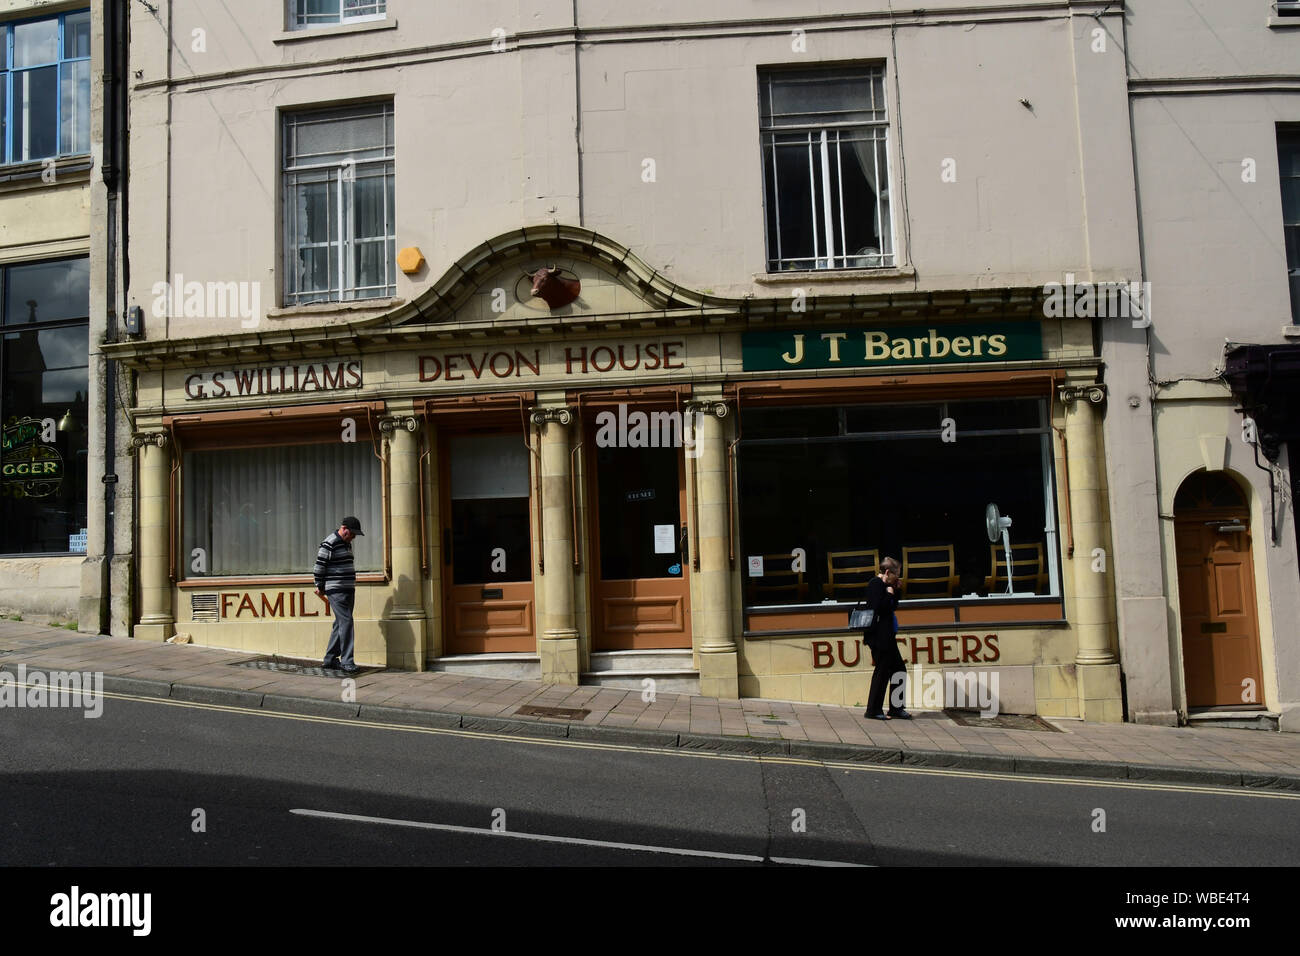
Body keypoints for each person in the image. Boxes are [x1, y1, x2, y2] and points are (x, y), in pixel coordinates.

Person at [863, 556, 911, 720]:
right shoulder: (875, 584)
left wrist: (895, 591)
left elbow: (892, 607)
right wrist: (890, 594)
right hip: (878, 637)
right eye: (896, 575)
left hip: (887, 636)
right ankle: (873, 710)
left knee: (899, 670)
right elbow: (878, 608)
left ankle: (896, 708)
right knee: (882, 672)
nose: (897, 578)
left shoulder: (886, 585)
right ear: (888, 572)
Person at [315, 516, 364, 674]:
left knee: (340, 623)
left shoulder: (346, 543)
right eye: (353, 534)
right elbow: (319, 567)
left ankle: (329, 659)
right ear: (344, 529)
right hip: (336, 590)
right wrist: (320, 586)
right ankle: (347, 661)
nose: (354, 537)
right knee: (347, 622)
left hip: (348, 588)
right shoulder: (329, 543)